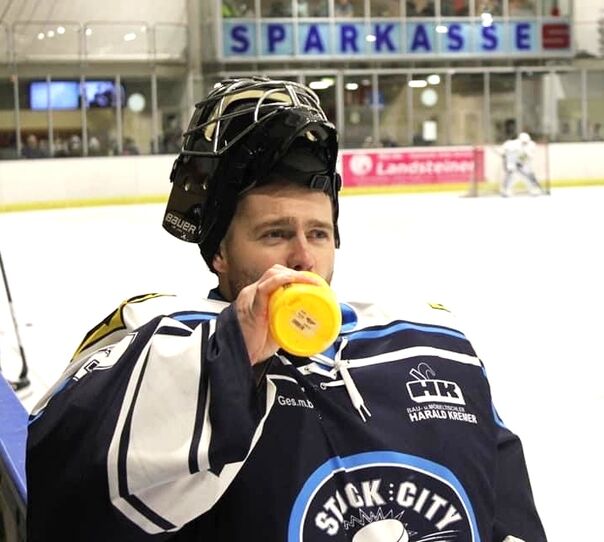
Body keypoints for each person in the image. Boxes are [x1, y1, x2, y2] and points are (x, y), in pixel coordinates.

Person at [26, 76, 547, 541]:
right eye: (274, 234)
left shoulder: (432, 337)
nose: (302, 256)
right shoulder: (163, 336)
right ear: (220, 255)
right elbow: (67, 483)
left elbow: (507, 511)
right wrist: (230, 355)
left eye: (318, 233)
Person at [497, 132, 544, 196]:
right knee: (511, 176)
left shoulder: (531, 145)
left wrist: (521, 162)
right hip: (512, 164)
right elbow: (504, 151)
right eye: (523, 142)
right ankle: (505, 190)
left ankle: (534, 189)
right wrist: (504, 154)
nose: (524, 143)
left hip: (524, 164)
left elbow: (529, 156)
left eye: (526, 142)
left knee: (529, 175)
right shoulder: (511, 144)